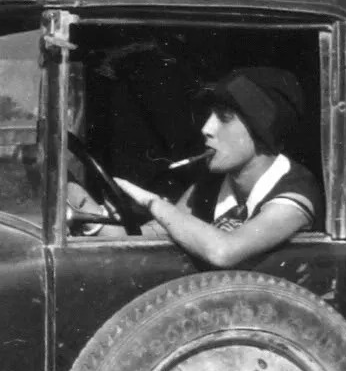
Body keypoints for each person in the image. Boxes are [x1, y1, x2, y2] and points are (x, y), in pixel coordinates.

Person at [114, 66, 323, 268]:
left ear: (261, 128)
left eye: (224, 118)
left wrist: (154, 203)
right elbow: (146, 239)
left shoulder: (296, 191)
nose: (207, 128)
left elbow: (224, 251)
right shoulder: (210, 184)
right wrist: (86, 209)